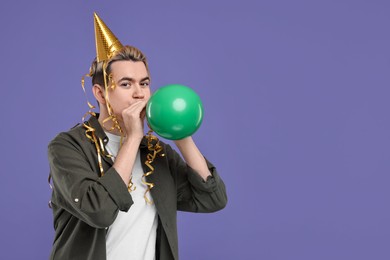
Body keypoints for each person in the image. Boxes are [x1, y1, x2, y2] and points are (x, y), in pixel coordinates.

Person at [47, 13, 227, 260]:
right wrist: (132, 139)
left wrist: (180, 132)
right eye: (126, 84)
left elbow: (212, 200)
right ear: (100, 93)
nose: (139, 94)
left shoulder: (156, 152)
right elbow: (99, 211)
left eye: (144, 83)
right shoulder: (67, 147)